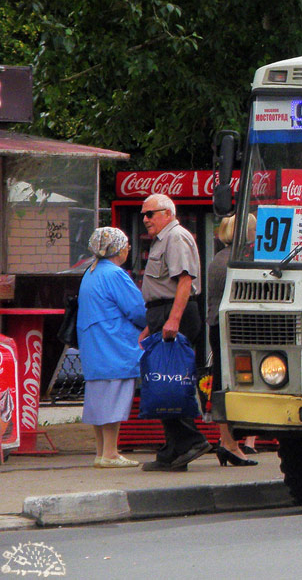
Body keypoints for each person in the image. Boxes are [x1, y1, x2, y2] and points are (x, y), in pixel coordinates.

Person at [138, 194, 211, 471]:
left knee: (168, 380)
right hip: (163, 312)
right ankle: (174, 449)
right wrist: (150, 325)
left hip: (175, 313)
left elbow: (184, 281)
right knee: (161, 380)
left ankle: (191, 440)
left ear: (167, 213)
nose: (145, 220)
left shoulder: (176, 236)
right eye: (144, 215)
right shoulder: (163, 239)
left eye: (150, 214)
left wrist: (173, 320)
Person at [77, 227, 146, 468]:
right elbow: (137, 309)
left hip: (94, 346)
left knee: (99, 400)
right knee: (114, 399)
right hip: (115, 345)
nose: (128, 249)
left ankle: (101, 452)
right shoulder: (116, 274)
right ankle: (110, 453)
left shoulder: (91, 271)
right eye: (126, 245)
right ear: (117, 248)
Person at [206, 216, 257, 467]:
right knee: (231, 384)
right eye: (254, 229)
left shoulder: (219, 258)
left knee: (222, 382)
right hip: (232, 330)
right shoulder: (237, 262)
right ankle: (230, 443)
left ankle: (228, 441)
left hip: (218, 327)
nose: (257, 234)